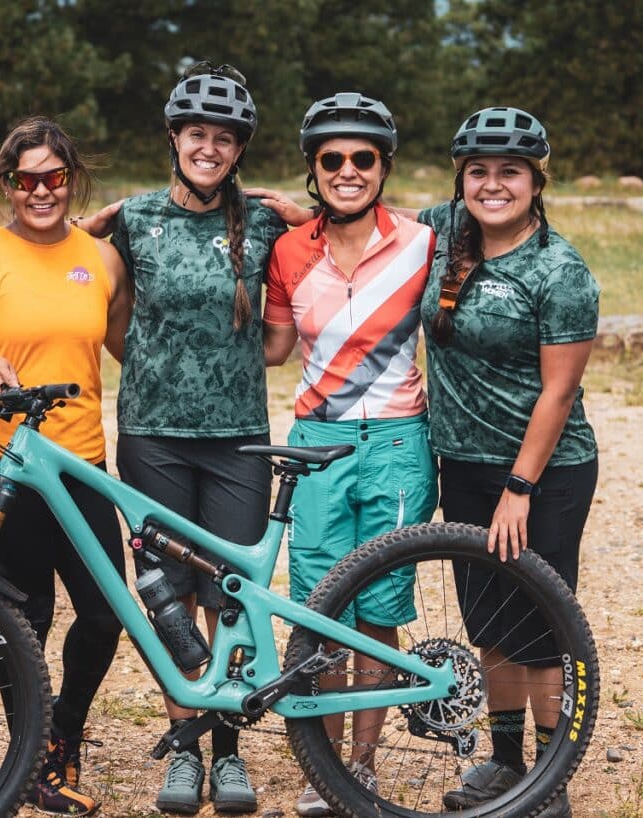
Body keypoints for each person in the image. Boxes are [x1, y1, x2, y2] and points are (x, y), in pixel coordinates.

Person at [108, 62, 286, 815]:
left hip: (239, 438)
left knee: (231, 595)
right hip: (153, 437)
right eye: (195, 134)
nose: (207, 148)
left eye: (223, 139)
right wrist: (156, 371)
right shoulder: (134, 218)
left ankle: (229, 749)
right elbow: (112, 316)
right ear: (173, 138)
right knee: (167, 595)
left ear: (238, 149)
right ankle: (183, 747)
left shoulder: (268, 222)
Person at [261, 93, 438, 818]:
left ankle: (361, 766)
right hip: (317, 446)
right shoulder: (288, 250)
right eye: (331, 158)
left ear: (384, 167)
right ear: (313, 168)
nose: (347, 170)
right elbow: (272, 347)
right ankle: (322, 765)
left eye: (362, 158)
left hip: (398, 441)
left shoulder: (423, 241)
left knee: (377, 608)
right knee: (315, 605)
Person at [418, 107, 598, 818]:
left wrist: (520, 487)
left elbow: (559, 391)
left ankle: (551, 777)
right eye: (479, 172)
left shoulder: (560, 269)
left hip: (543, 474)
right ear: (461, 178)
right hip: (462, 463)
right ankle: (505, 761)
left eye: (510, 172)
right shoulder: (442, 231)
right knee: (488, 617)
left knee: (540, 622)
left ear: (536, 180)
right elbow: (365, 213)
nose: (494, 185)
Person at [0, 116, 131, 817]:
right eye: (25, 180)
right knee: (26, 616)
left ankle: (64, 732)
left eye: (54, 178)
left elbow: (128, 351)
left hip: (81, 459)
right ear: (6, 183)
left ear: (72, 179)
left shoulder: (103, 259)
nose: (40, 191)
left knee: (104, 613)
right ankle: (28, 754)